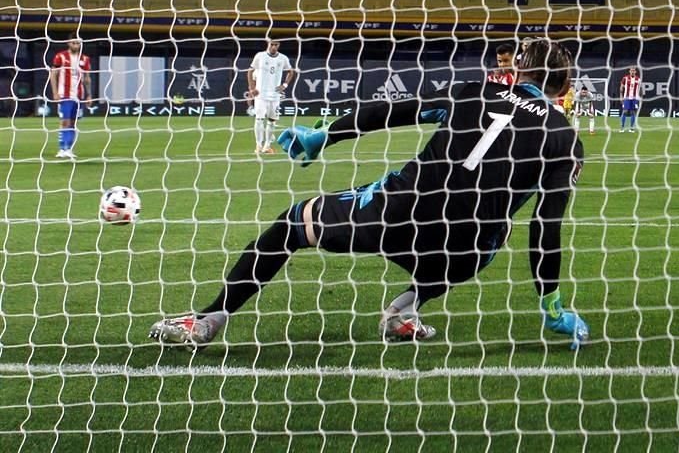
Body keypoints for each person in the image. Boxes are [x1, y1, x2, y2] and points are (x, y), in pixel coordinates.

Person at [148, 39, 589, 351]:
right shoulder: (566, 140)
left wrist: (325, 137)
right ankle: (404, 311)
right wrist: (552, 304)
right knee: (489, 238)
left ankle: (209, 318)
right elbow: (545, 228)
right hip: (464, 249)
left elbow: (390, 112)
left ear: (517, 74)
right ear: (565, 89)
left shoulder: (474, 91)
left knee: (290, 227)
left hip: (399, 211)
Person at [248, 39, 296, 154]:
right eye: (272, 44)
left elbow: (291, 71)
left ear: (279, 45)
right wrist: (252, 88)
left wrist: (284, 85)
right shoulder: (260, 56)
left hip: (275, 95)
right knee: (259, 119)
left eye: (276, 45)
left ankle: (267, 146)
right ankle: (258, 145)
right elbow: (250, 71)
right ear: (268, 44)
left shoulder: (283, 58)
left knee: (272, 120)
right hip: (261, 94)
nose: (274, 47)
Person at [49, 32, 92, 159]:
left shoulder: (85, 59)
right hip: (64, 95)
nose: (76, 45)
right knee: (65, 121)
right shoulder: (60, 56)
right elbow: (53, 74)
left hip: (79, 96)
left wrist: (89, 95)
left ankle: (69, 148)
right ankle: (62, 148)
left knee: (73, 123)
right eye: (74, 42)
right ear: (68, 43)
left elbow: (87, 78)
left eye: (78, 43)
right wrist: (55, 92)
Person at [618, 66, 641, 132]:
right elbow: (621, 88)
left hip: (635, 98)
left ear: (635, 72)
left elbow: (640, 89)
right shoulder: (625, 78)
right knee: (625, 111)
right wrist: (621, 96)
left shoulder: (638, 79)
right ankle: (622, 127)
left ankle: (631, 128)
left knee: (633, 112)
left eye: (634, 70)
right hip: (626, 97)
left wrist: (640, 97)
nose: (632, 71)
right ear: (629, 71)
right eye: (631, 70)